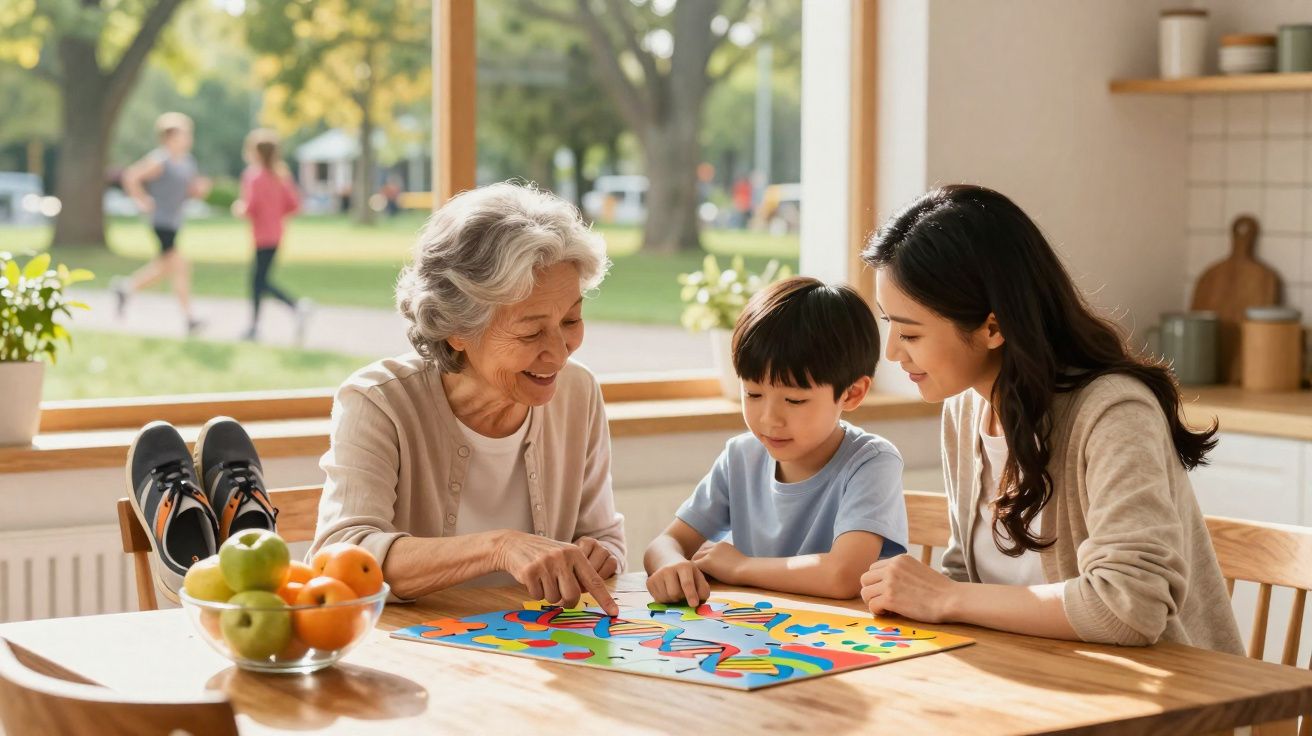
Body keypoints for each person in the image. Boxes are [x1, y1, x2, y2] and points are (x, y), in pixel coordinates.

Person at [858, 184, 1243, 653]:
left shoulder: (1114, 413)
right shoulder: (965, 409)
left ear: (992, 328)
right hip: (1041, 684)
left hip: (1166, 706)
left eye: (910, 333)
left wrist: (946, 598)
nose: (892, 353)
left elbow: (1130, 607)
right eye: (888, 324)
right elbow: (969, 579)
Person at [310, 182, 624, 615]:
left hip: (545, 651)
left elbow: (604, 536)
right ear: (457, 328)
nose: (560, 350)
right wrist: (499, 548)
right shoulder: (377, 402)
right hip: (417, 659)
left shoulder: (578, 392)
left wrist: (600, 554)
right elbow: (342, 556)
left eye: (571, 319)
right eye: (531, 331)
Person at [644, 276, 907, 605]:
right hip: (758, 636)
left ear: (852, 393)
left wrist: (740, 567)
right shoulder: (741, 456)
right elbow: (664, 544)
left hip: (842, 642)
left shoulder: (872, 461)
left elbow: (843, 576)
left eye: (794, 401)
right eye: (753, 393)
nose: (769, 419)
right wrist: (672, 564)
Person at [113, 112, 210, 336]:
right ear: (169, 137)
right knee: (181, 266)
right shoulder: (160, 160)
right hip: (161, 221)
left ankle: (125, 288)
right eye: (183, 135)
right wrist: (142, 200)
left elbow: (189, 192)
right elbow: (131, 176)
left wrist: (200, 191)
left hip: (175, 221)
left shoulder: (187, 162)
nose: (188, 139)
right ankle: (189, 319)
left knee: (164, 268)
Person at [233, 129, 312, 343]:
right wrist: (275, 214)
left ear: (256, 153)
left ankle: (294, 306)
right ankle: (255, 326)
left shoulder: (254, 177)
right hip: (276, 235)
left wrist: (239, 208)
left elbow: (250, 207)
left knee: (259, 282)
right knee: (259, 281)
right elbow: (295, 206)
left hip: (261, 237)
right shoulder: (281, 176)